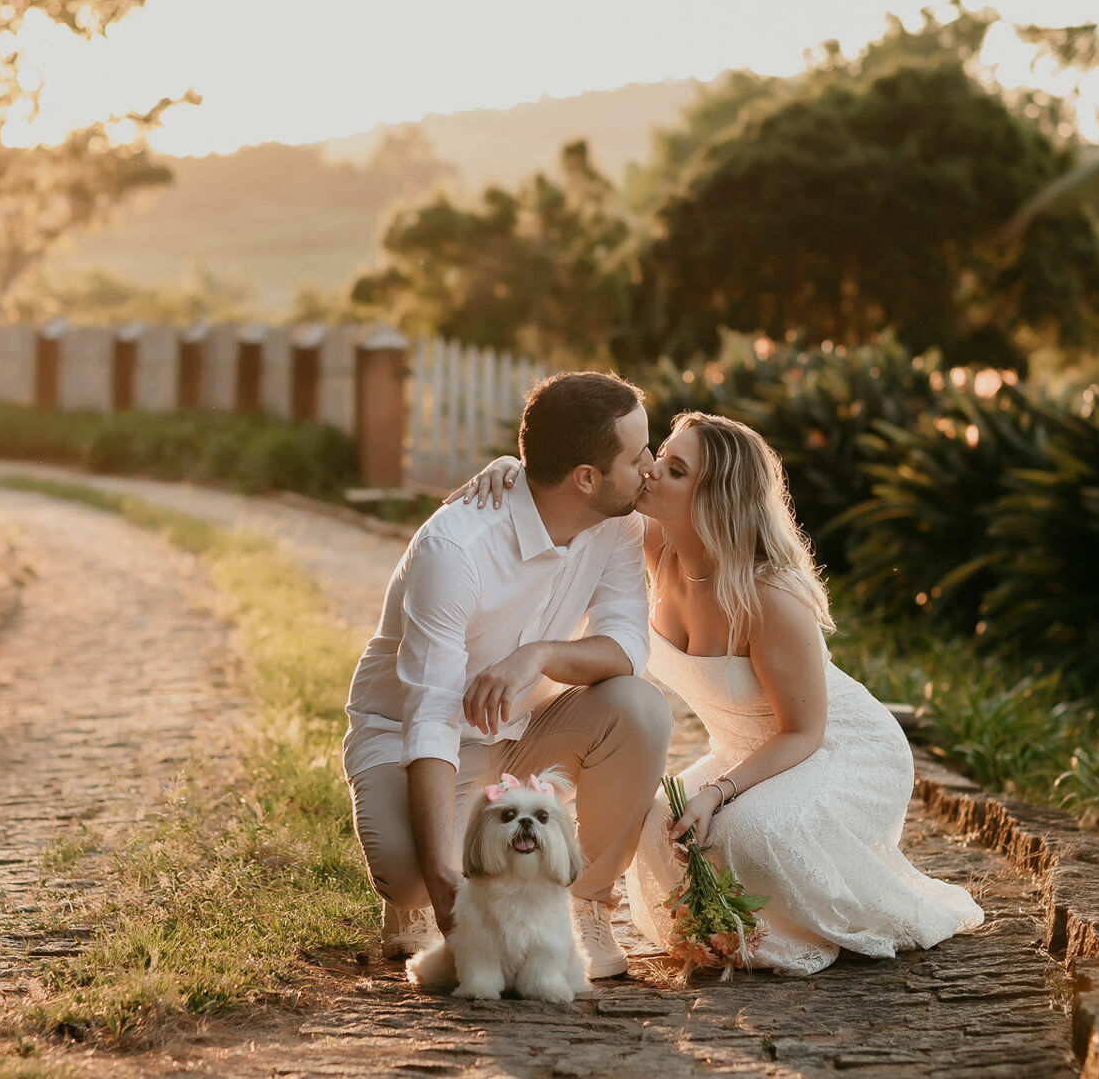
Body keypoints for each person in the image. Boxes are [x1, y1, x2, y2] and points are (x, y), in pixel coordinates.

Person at [452, 411, 983, 975]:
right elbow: (574, 495)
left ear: (716, 500)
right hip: (742, 747)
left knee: (750, 831)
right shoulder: (649, 543)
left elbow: (803, 732)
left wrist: (716, 791)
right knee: (659, 826)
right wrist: (516, 470)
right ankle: (717, 926)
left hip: (835, 749)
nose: (651, 470)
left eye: (676, 470)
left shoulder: (769, 596)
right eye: (661, 455)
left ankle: (777, 928)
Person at [343, 371, 672, 980]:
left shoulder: (617, 521)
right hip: (410, 736)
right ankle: (416, 893)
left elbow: (627, 645)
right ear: (586, 478)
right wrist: (441, 878)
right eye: (638, 456)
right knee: (413, 878)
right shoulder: (456, 548)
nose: (650, 467)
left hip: (526, 729)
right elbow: (432, 715)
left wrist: (539, 654)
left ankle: (585, 902)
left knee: (641, 708)